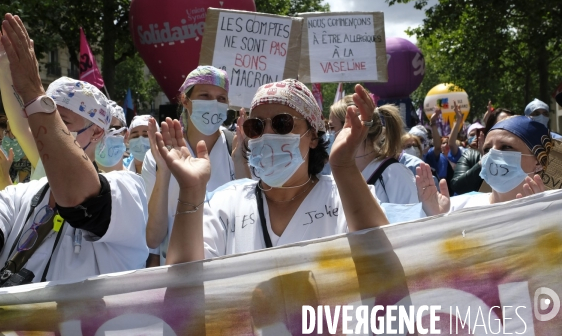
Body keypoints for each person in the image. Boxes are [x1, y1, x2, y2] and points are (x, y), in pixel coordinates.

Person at [0, 14, 148, 288]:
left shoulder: (128, 190)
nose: (44, 130)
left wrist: (32, 92)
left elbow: (79, 201)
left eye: (61, 121)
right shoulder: (19, 195)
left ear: (97, 132)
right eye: (42, 119)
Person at [151, 79, 388, 264]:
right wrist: (191, 191)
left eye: (282, 124)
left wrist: (344, 167)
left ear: (313, 136)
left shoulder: (344, 198)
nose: (266, 135)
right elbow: (184, 285)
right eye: (256, 126)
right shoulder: (226, 204)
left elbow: (384, 261)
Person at [142, 66, 238, 266]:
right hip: (178, 273)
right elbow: (153, 238)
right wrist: (164, 171)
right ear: (185, 101)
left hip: (226, 272)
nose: (214, 104)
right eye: (205, 96)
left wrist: (243, 161)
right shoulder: (158, 157)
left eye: (221, 99)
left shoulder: (236, 149)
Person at [418, 115, 551, 215]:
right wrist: (437, 219)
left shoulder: (553, 211)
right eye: (487, 149)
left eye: (506, 147)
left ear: (538, 161)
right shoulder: (454, 208)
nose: (493, 154)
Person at [355, 104, 418, 204]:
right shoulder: (339, 177)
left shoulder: (395, 173)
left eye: (332, 127)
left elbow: (411, 216)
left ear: (359, 131)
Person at [95, 101, 128, 172]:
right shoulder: (77, 181)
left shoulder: (134, 181)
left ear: (126, 135)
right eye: (100, 129)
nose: (106, 136)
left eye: (113, 130)